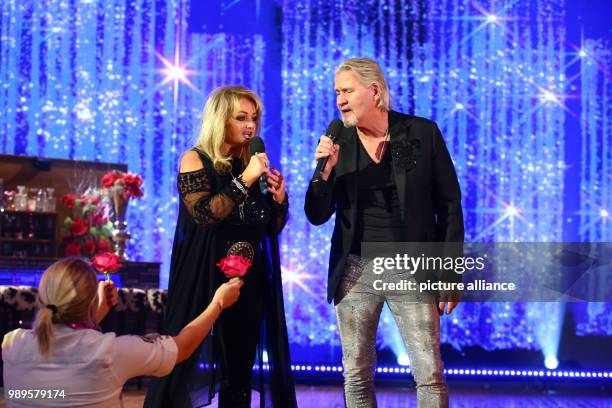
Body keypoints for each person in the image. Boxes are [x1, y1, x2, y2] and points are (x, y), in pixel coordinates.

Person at [305, 58, 464, 407]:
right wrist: (324, 174)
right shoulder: (338, 140)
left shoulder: (421, 133)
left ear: (374, 91)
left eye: (347, 90)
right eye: (337, 92)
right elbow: (316, 214)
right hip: (356, 269)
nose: (340, 99)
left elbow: (450, 204)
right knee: (357, 375)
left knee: (429, 374)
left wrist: (450, 272)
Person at [144, 86, 296, 408]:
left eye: (254, 118)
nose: (251, 125)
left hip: (248, 278)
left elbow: (269, 227)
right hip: (204, 274)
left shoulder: (251, 165)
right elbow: (204, 214)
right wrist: (245, 181)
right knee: (179, 359)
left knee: (240, 371)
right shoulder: (195, 160)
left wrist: (280, 200)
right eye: (241, 118)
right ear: (220, 119)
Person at [2, 257, 242, 407]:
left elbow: (56, 387)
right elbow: (183, 348)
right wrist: (218, 303)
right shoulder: (111, 352)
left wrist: (94, 315)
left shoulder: (12, 343)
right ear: (87, 302)